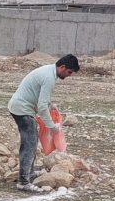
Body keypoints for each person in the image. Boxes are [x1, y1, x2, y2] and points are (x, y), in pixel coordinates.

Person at [7, 54, 79, 192]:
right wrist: (52, 126)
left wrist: (50, 105)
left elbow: (41, 97)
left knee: (32, 142)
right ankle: (23, 182)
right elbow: (41, 107)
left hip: (21, 107)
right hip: (22, 109)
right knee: (29, 144)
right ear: (62, 67)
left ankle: (29, 173)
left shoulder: (49, 71)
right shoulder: (49, 77)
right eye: (69, 72)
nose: (69, 75)